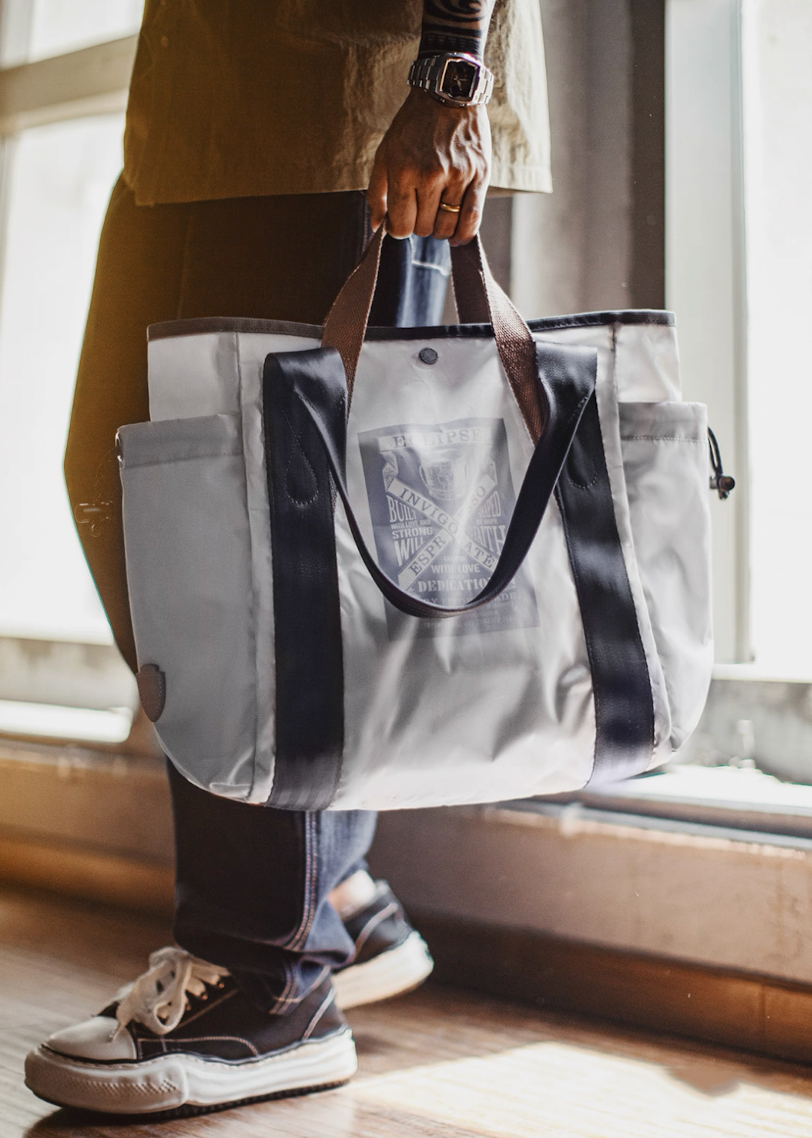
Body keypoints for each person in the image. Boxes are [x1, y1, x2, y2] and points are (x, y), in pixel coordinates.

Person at [25, 0, 551, 1118]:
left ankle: (267, 972)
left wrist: (452, 66)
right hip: (193, 102)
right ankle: (328, 880)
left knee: (265, 533)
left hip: (340, 98)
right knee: (117, 473)